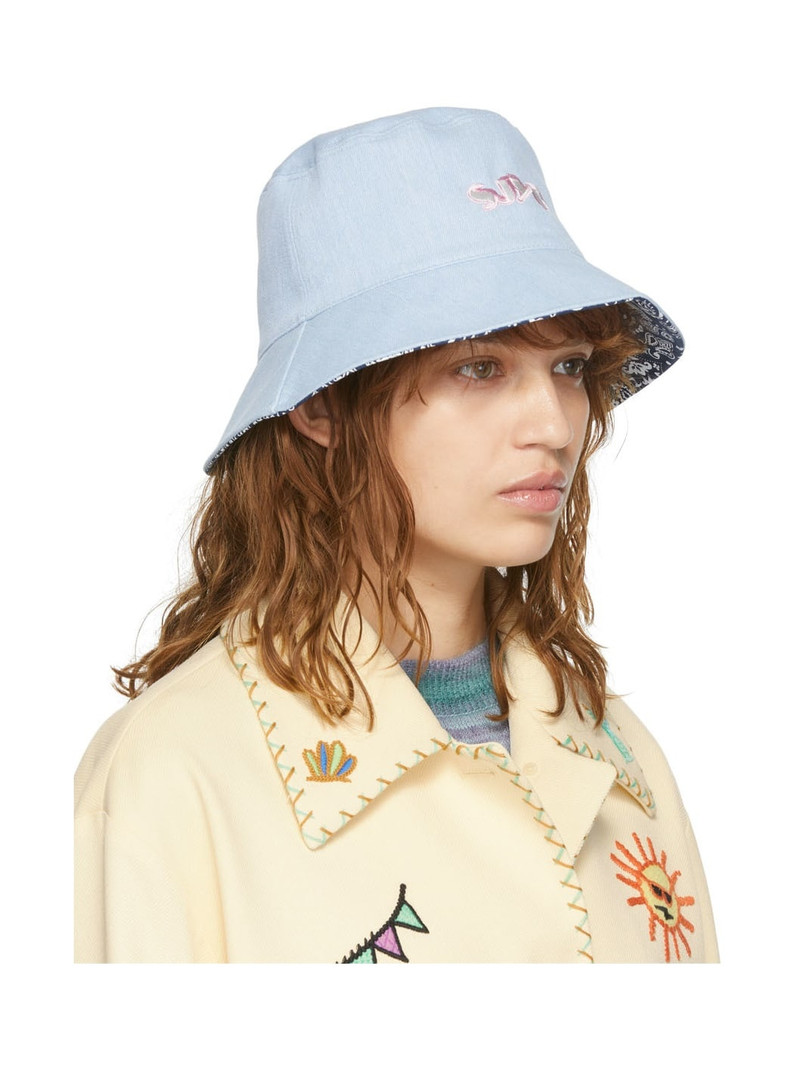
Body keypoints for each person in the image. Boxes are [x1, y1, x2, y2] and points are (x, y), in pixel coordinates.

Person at [74, 107, 718, 963]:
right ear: (321, 405)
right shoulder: (171, 774)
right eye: (479, 367)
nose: (555, 426)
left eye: (568, 367)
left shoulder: (620, 751)